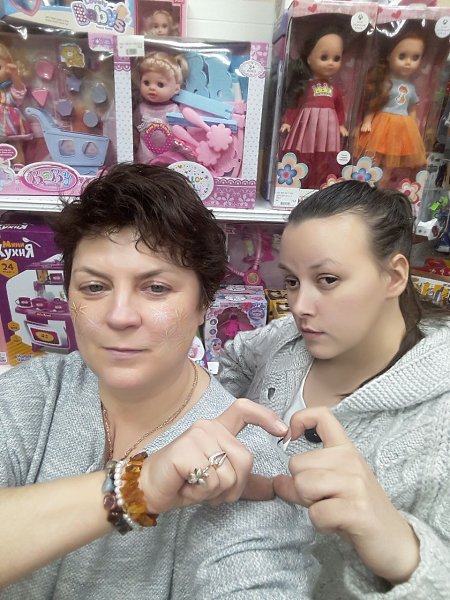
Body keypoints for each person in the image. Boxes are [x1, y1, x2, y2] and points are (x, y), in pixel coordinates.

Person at [0, 163, 318, 597]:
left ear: (204, 304)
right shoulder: (34, 392)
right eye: (94, 287)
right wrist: (137, 488)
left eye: (155, 288)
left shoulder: (238, 461)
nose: (119, 316)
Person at [219, 180, 450, 598]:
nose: (300, 306)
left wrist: (403, 552)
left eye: (327, 279)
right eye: (292, 281)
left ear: (394, 276)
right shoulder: (286, 340)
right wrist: (222, 424)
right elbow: (234, 358)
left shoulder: (439, 426)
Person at [280, 27, 348, 188]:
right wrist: (288, 121)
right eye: (324, 57)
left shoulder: (335, 89)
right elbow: (294, 105)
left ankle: (322, 182)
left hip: (328, 129)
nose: (330, 63)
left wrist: (341, 125)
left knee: (326, 156)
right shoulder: (305, 85)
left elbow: (340, 108)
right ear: (309, 58)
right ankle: (302, 182)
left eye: (336, 58)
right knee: (303, 153)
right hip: (307, 127)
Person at [357, 32, 426, 186]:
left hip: (401, 127)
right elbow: (374, 104)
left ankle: (382, 185)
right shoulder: (385, 82)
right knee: (375, 156)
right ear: (389, 56)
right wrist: (367, 121)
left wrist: (413, 127)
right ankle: (368, 181)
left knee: (391, 161)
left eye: (415, 57)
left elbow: (412, 109)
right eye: (402, 56)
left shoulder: (411, 88)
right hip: (382, 123)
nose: (408, 62)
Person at [133, 50, 188, 165]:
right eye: (146, 82)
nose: (152, 88)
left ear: (176, 88)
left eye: (160, 84)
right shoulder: (141, 108)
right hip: (145, 155)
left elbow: (181, 134)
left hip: (169, 156)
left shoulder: (174, 109)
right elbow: (136, 128)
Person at [0, 43, 33, 165]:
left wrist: (15, 75)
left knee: (16, 146)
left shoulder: (8, 90)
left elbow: (19, 91)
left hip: (11, 123)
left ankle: (19, 168)